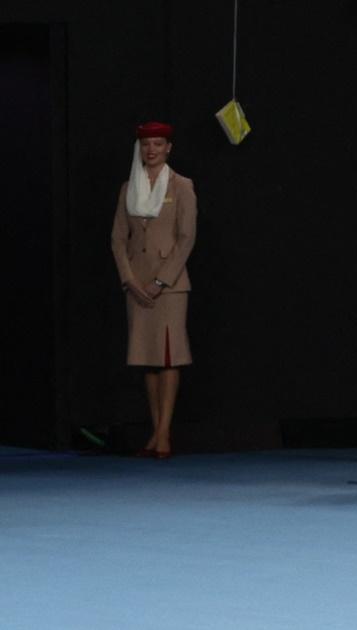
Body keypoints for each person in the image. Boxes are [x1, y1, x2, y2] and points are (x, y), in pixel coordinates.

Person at [110, 121, 197, 459]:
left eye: (158, 144)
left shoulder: (182, 186)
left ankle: (164, 434)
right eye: (146, 144)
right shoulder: (128, 187)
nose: (152, 150)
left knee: (168, 356)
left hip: (169, 286)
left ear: (168, 148)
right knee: (147, 357)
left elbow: (186, 238)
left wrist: (162, 281)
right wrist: (129, 279)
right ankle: (155, 430)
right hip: (136, 283)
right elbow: (118, 239)